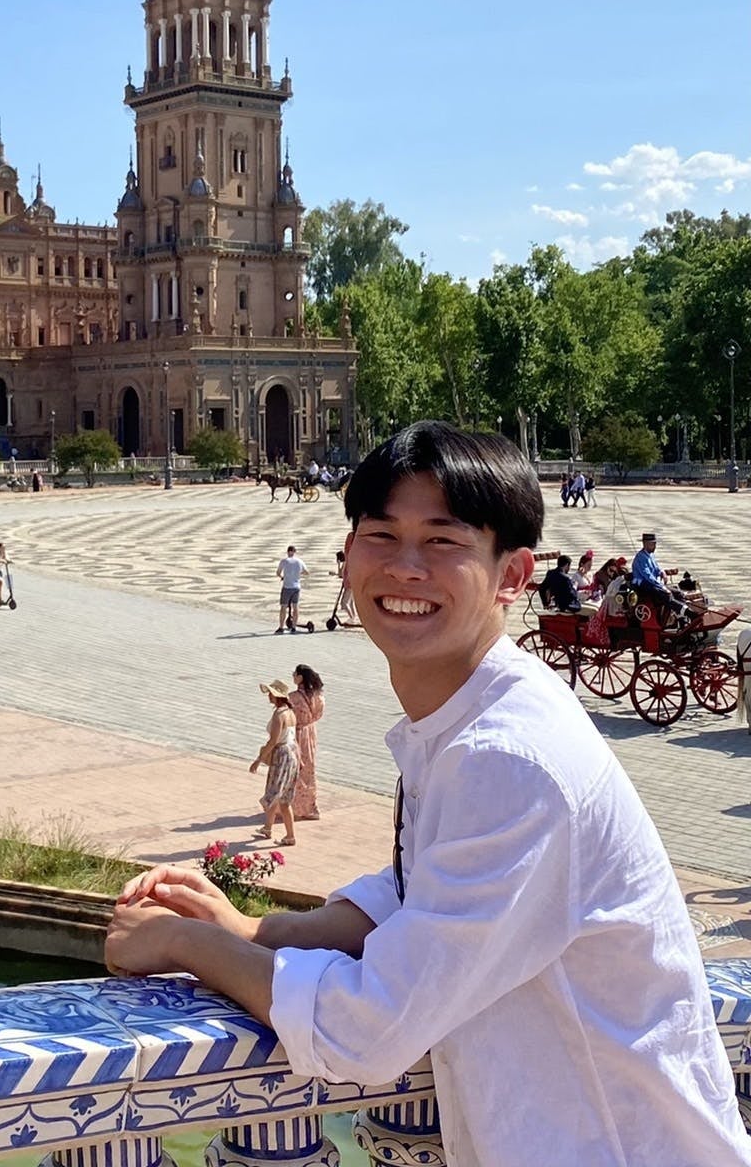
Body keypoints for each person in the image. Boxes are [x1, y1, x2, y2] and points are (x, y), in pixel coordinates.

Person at [105, 420, 748, 1166]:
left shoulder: (509, 757)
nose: (405, 567)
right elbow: (424, 890)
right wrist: (256, 931)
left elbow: (365, 1031)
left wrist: (189, 943)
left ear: (513, 575)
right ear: (347, 555)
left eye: (443, 541)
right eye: (381, 535)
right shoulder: (482, 711)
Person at [249, 680, 298, 846]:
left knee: (273, 794)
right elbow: (293, 738)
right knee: (283, 797)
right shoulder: (290, 713)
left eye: (271, 693)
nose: (269, 696)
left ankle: (287, 835)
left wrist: (258, 760)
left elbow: (273, 741)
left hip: (281, 755)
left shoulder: (279, 715)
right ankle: (270, 828)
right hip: (292, 753)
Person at [288, 664, 324, 821]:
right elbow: (319, 714)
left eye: (294, 674)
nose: (293, 676)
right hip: (310, 732)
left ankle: (292, 807)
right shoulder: (318, 697)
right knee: (308, 768)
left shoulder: (293, 697)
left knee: (294, 768)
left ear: (300, 677)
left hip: (296, 733)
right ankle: (309, 806)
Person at [631, 531, 687, 622]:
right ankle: (679, 613)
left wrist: (662, 572)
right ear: (645, 544)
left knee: (678, 593)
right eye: (652, 544)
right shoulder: (640, 557)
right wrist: (661, 586)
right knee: (666, 594)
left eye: (655, 544)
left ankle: (681, 617)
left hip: (652, 584)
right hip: (642, 585)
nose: (655, 546)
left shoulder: (651, 555)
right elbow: (648, 576)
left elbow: (656, 568)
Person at [275, 544, 308, 633]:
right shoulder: (299, 561)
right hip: (296, 587)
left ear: (288, 552)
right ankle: (294, 627)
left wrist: (282, 577)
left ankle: (281, 627)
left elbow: (278, 572)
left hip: (287, 586)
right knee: (295, 607)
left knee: (283, 607)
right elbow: (306, 572)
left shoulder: (284, 561)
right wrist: (298, 573)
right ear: (294, 552)